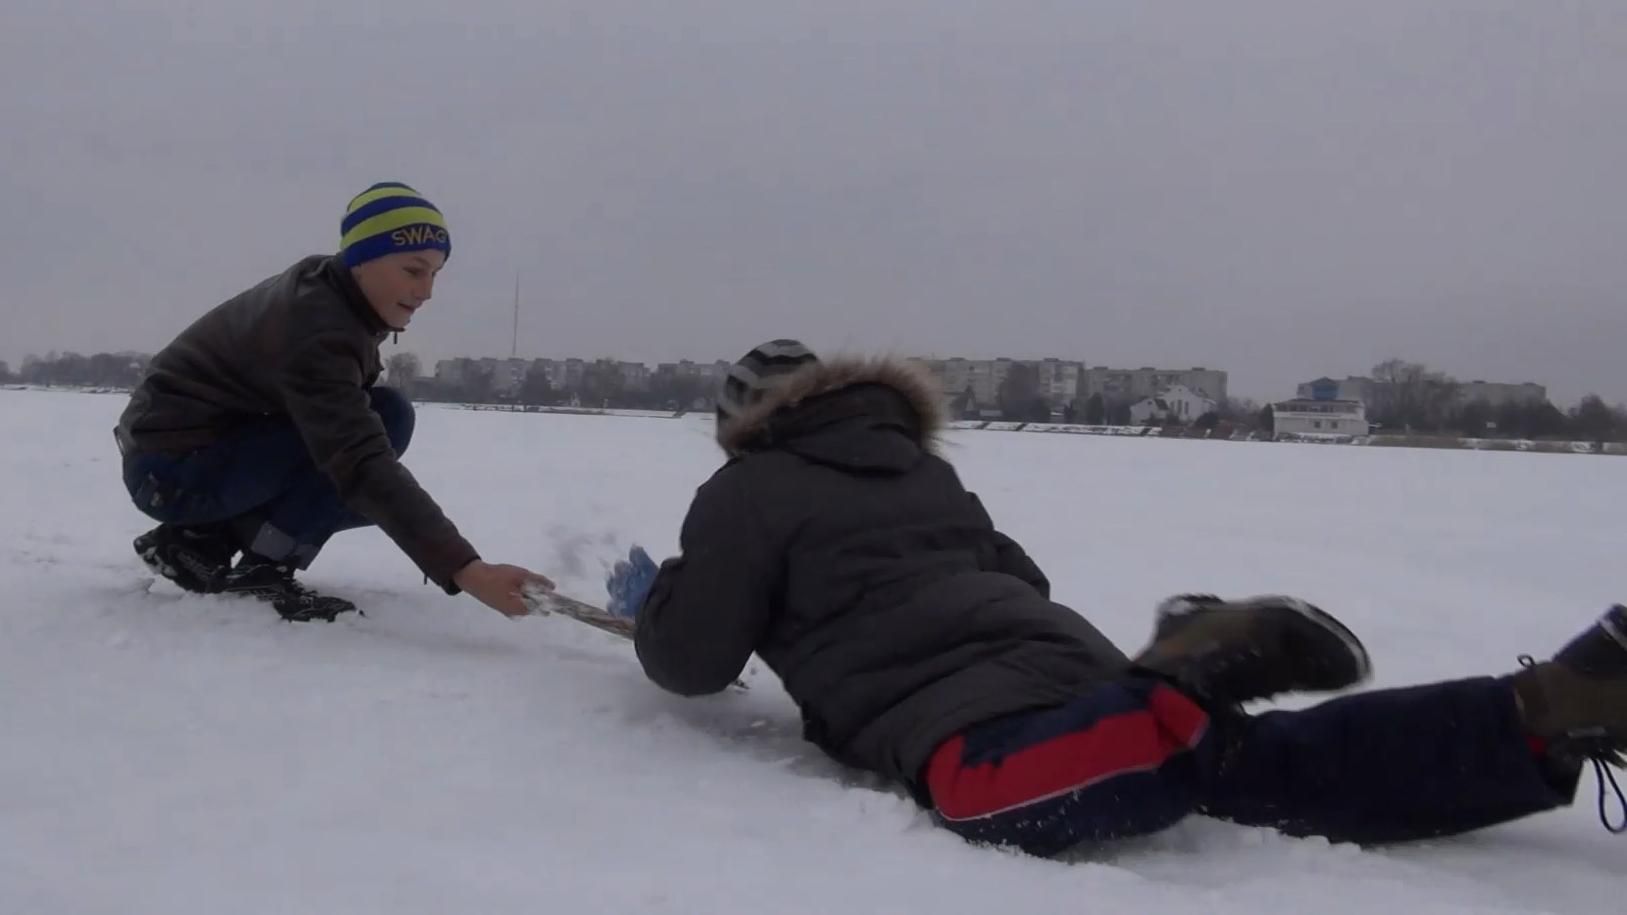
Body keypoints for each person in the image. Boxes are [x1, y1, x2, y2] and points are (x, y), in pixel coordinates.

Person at [605, 340, 1625, 856]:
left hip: (958, 714)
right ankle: (1531, 718)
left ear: (743, 422)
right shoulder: (926, 474)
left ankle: (1177, 678)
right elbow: (1019, 580)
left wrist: (665, 597)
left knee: (992, 790)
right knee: (1243, 772)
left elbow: (695, 661)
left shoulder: (744, 490)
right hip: (1063, 658)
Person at [115, 181, 553, 622]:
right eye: (413, 271)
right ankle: (263, 568)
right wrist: (468, 571)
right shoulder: (318, 326)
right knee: (376, 433)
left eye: (435, 274)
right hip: (174, 469)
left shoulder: (334, 301)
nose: (427, 291)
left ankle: (196, 542)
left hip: (190, 458)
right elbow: (357, 460)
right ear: (362, 259)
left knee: (381, 421)